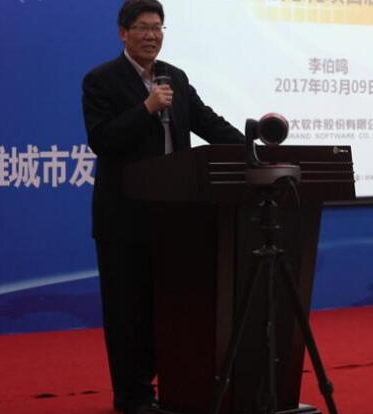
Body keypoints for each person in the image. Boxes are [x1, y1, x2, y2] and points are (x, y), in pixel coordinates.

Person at [82, 1, 244, 413]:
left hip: (177, 217)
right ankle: (132, 396)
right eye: (142, 27)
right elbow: (103, 140)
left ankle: (173, 386)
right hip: (125, 218)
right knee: (128, 311)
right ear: (123, 33)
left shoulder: (175, 77)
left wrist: (252, 149)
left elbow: (207, 122)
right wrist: (147, 109)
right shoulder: (101, 80)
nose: (152, 35)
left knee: (173, 308)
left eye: (158, 28)